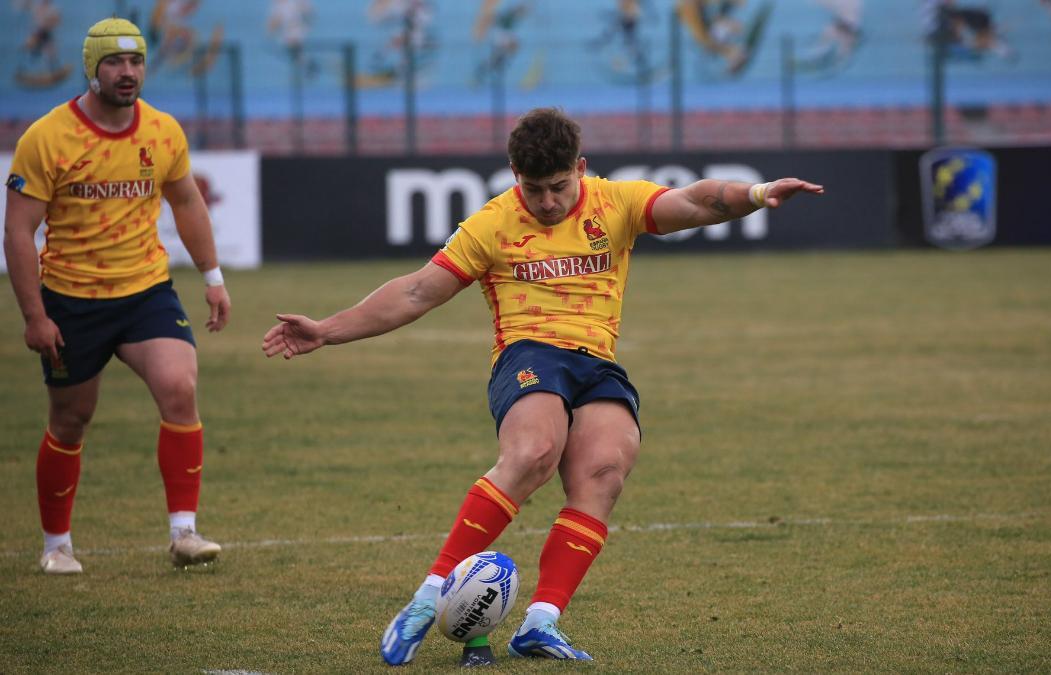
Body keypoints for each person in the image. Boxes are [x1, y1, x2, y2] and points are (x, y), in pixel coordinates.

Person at [261, 107, 823, 663]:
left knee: (604, 473)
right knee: (533, 451)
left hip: (596, 363)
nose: (548, 202)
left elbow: (697, 201)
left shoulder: (615, 202)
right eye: (535, 190)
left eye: (558, 186)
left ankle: (540, 623)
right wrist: (327, 331)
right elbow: (415, 293)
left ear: (580, 167)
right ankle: (427, 599)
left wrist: (758, 193)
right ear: (514, 176)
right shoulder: (492, 223)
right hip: (528, 355)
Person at [3, 17, 232, 574]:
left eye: (135, 62)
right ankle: (56, 545)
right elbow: (17, 230)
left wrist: (212, 276)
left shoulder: (162, 131)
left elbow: (186, 203)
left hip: (145, 291)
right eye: (114, 63)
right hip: (71, 299)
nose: (127, 73)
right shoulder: (47, 138)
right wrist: (35, 316)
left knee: (180, 387)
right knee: (71, 420)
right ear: (92, 68)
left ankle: (185, 533)